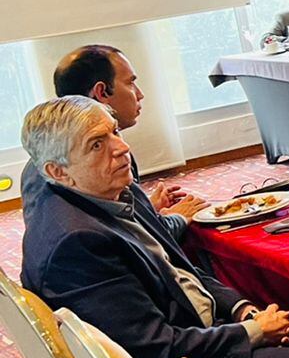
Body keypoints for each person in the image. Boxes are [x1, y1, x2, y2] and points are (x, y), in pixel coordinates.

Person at [20, 97, 289, 358]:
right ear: (58, 171)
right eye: (96, 145)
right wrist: (254, 333)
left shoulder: (113, 191)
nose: (121, 148)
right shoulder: (76, 245)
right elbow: (156, 352)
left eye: (114, 132)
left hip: (198, 327)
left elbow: (183, 271)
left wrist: (243, 311)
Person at [20, 45, 206, 230]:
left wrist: (145, 207)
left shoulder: (49, 153)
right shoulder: (84, 161)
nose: (140, 94)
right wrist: (178, 218)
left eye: (115, 132)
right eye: (130, 83)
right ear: (101, 92)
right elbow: (120, 240)